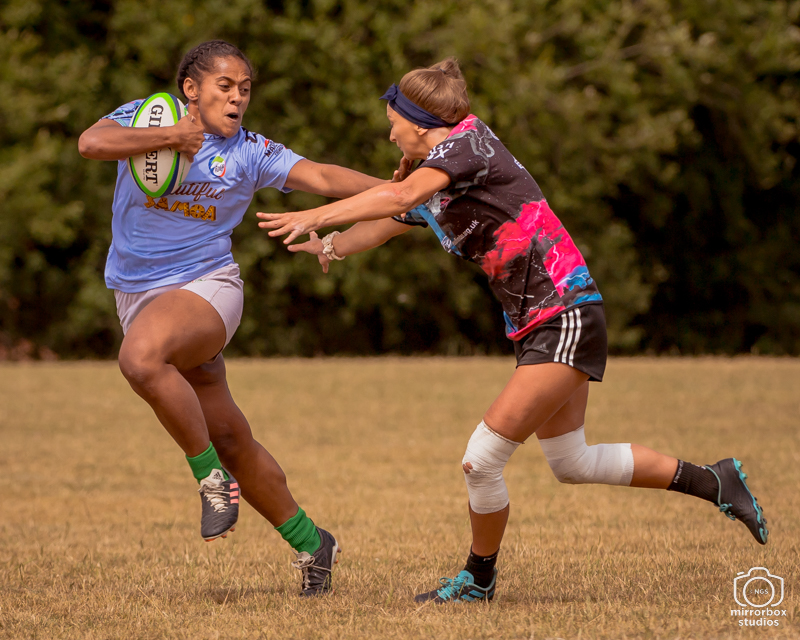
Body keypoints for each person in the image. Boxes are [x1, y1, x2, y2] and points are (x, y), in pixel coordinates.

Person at [257, 58, 769, 604]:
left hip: (564, 312)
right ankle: (715, 480)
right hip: (539, 322)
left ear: (421, 123)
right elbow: (392, 219)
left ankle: (479, 579)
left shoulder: (467, 145)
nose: (389, 135)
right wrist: (331, 246)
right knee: (572, 462)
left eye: (393, 123)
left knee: (480, 458)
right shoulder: (436, 171)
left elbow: (398, 197)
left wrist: (315, 215)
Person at [78, 40, 389, 596]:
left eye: (245, 89)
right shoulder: (152, 118)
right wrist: (171, 139)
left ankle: (210, 482)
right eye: (225, 86)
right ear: (191, 89)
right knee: (229, 437)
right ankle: (313, 542)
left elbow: (320, 176)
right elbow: (91, 143)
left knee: (141, 360)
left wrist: (402, 191)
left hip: (207, 287)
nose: (237, 98)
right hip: (138, 295)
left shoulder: (249, 151)